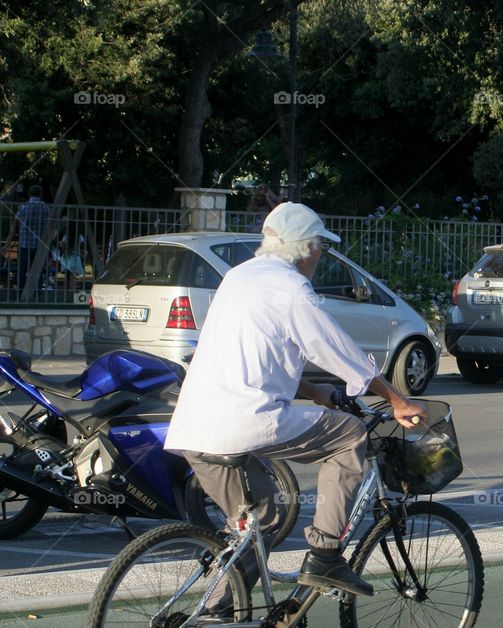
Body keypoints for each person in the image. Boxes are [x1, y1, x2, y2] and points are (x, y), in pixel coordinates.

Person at [164, 201, 426, 604]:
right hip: (244, 421)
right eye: (320, 245)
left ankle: (216, 610)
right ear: (305, 249)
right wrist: (396, 399)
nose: (321, 253)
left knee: (261, 521)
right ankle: (325, 554)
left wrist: (313, 391)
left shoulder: (239, 277)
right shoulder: (292, 288)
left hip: (194, 428)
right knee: (350, 436)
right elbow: (336, 349)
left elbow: (259, 354)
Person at [2, 185, 51, 291]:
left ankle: (21, 293)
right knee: (38, 271)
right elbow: (50, 226)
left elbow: (14, 226)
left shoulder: (23, 206)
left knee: (22, 270)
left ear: (29, 194)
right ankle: (37, 293)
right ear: (41, 194)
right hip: (40, 244)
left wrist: (7, 245)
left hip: (25, 243)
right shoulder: (45, 207)